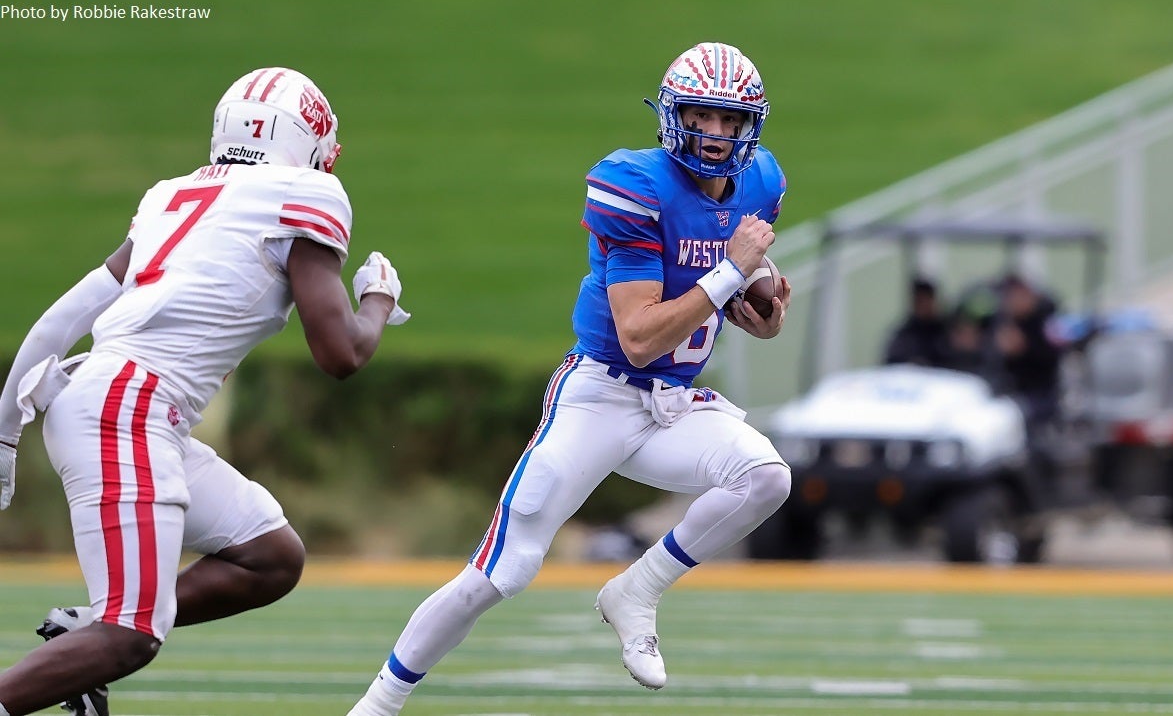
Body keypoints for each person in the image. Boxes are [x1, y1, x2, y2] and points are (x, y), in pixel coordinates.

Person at [346, 42, 792, 715]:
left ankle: (636, 590)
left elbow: (744, 298)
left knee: (766, 477)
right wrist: (731, 272)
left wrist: (759, 299)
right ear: (674, 115)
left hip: (674, 404)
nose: (716, 134)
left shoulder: (761, 182)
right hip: (602, 394)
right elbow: (639, 338)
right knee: (503, 571)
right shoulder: (633, 183)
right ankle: (376, 706)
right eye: (703, 116)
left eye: (731, 121)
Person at [0, 67, 410, 716]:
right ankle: (87, 644)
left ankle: (82, 634)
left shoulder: (174, 194)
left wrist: (4, 429)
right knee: (132, 633)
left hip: (111, 398)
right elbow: (340, 355)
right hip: (129, 408)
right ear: (304, 139)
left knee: (269, 558)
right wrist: (379, 301)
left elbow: (64, 315)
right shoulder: (306, 193)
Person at [993, 274, 1062, 428]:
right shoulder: (1006, 322)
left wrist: (1024, 348)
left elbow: (1052, 357)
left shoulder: (1045, 323)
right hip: (1010, 389)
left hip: (1040, 392)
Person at [882, 277, 951, 367]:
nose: (924, 306)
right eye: (919, 301)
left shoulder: (948, 331)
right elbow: (892, 363)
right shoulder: (904, 335)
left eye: (927, 300)